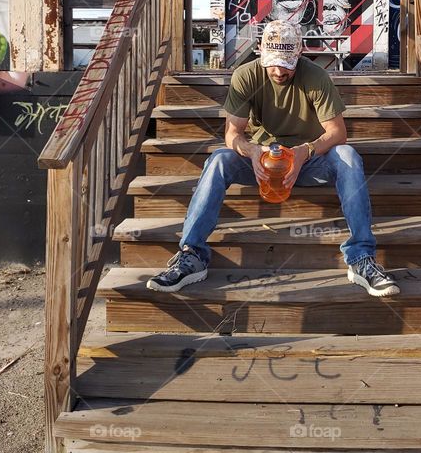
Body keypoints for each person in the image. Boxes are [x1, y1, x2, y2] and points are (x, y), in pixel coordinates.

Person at [148, 19, 400, 297]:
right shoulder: (245, 76)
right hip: (263, 163)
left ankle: (361, 258)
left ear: (300, 53)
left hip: (308, 162)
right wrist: (252, 150)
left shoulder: (316, 77)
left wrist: (306, 151)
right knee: (219, 159)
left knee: (348, 156)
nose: (279, 71)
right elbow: (232, 134)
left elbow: (338, 133)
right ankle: (191, 254)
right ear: (260, 51)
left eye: (287, 64)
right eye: (273, 62)